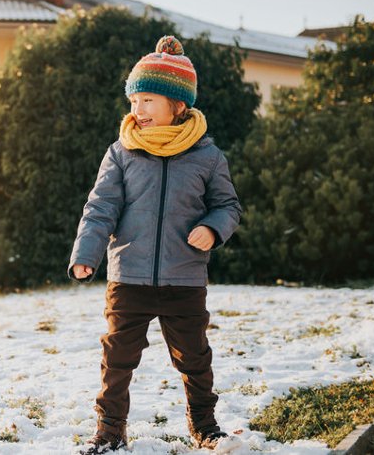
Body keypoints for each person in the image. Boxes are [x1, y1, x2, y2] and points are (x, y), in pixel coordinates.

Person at [68, 35, 242, 454]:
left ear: (177, 105)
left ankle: (204, 425)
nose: (137, 111)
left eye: (148, 101)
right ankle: (110, 431)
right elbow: (100, 208)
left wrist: (214, 228)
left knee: (194, 359)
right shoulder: (122, 153)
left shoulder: (206, 156)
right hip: (128, 277)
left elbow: (228, 205)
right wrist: (86, 255)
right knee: (118, 359)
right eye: (134, 101)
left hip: (184, 278)